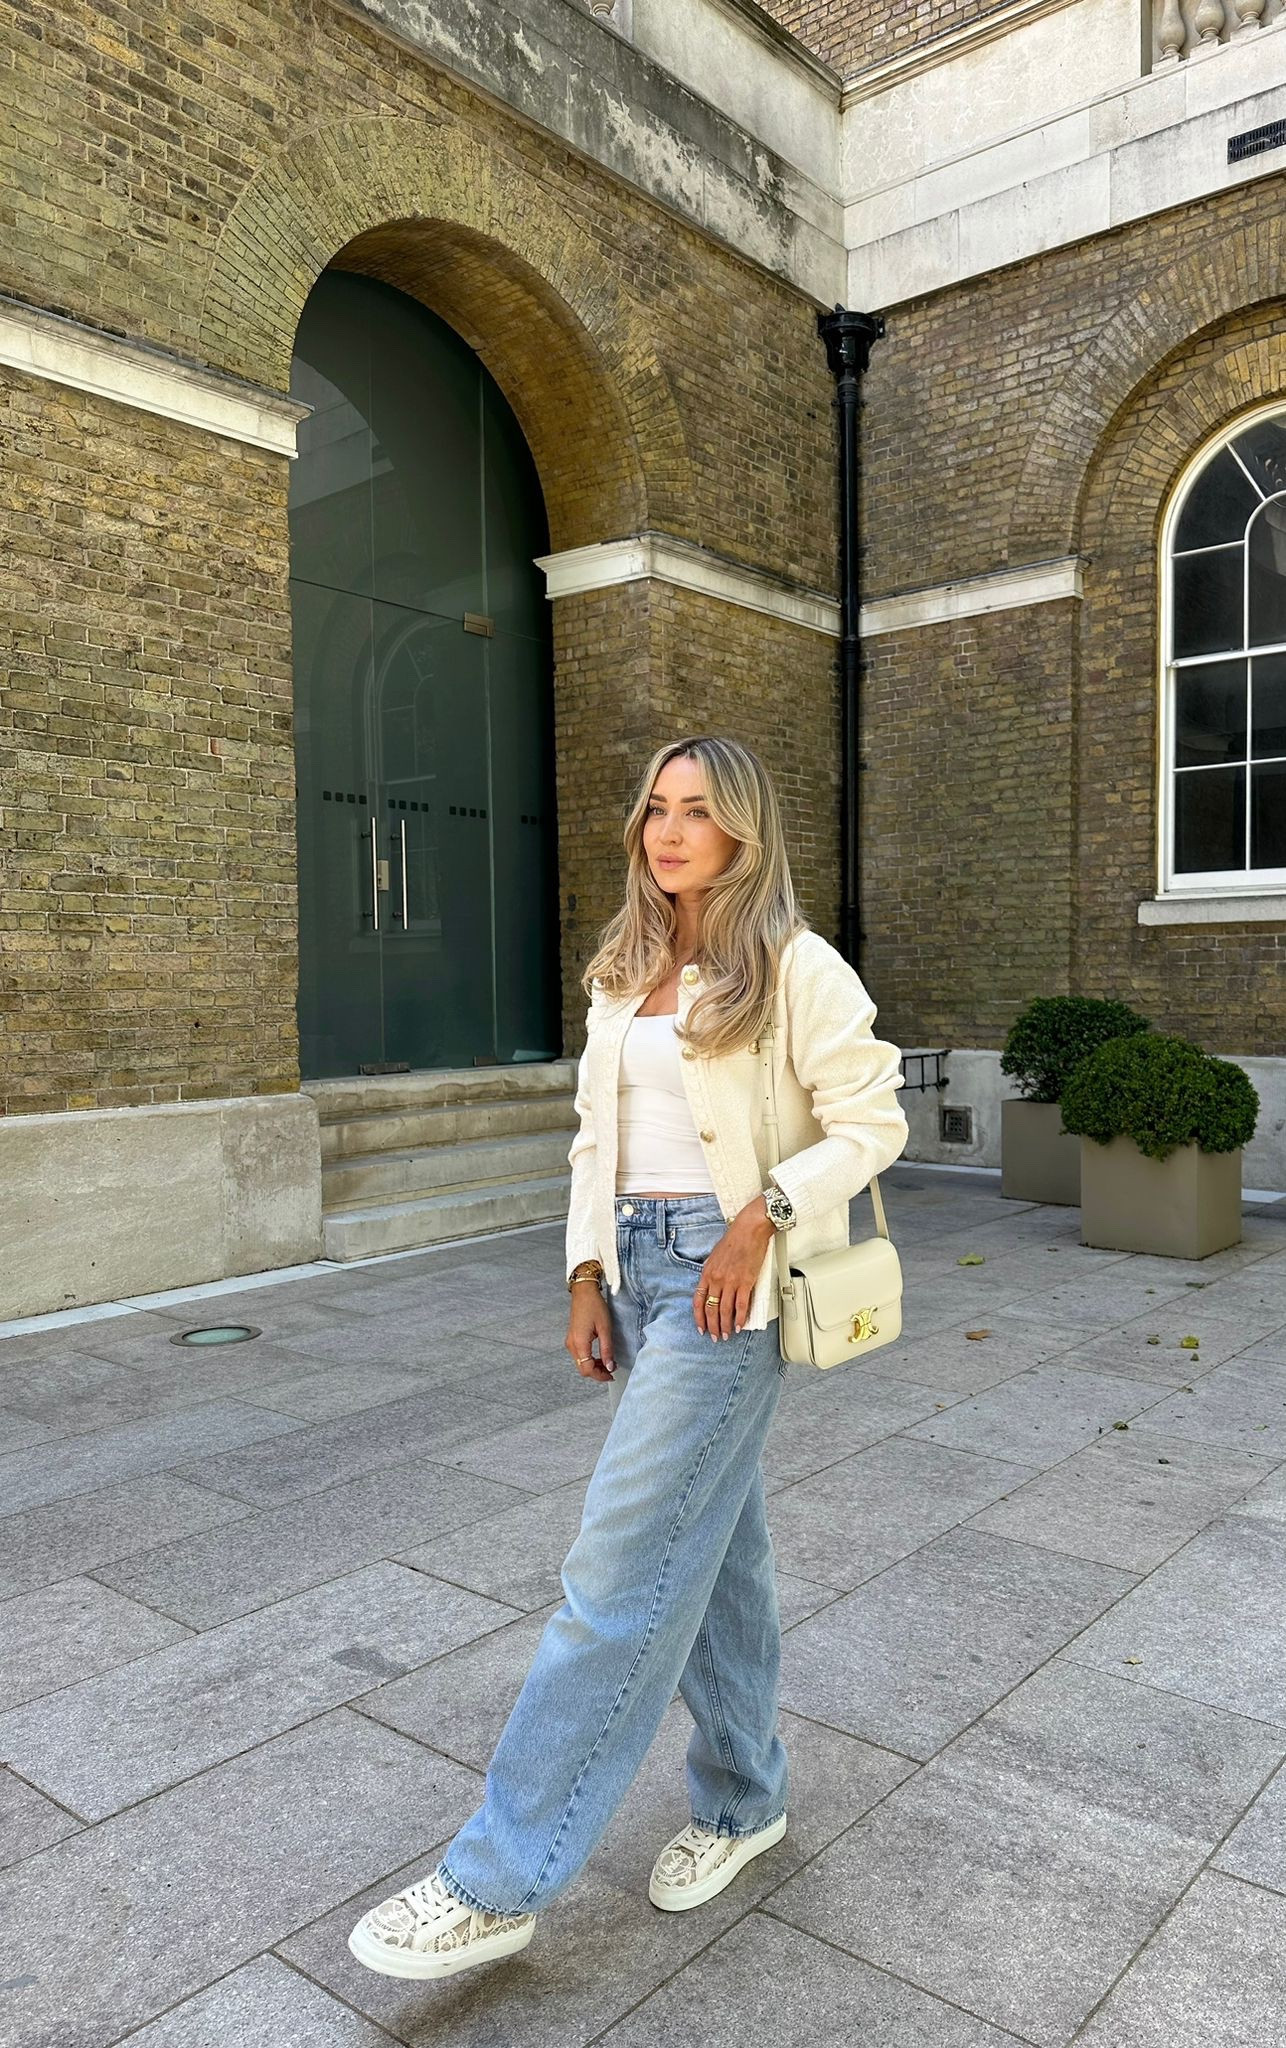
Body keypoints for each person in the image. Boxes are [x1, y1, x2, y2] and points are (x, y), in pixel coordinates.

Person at [348, 734, 910, 1982]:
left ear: (742, 830)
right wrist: (583, 1274)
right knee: (715, 1551)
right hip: (640, 1270)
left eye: (696, 810)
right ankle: (744, 1797)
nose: (667, 829)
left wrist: (761, 1213)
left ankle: (496, 1878)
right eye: (655, 806)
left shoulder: (792, 963)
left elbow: (873, 1119)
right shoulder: (623, 965)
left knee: (616, 1568)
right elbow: (591, 1142)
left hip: (727, 1289)